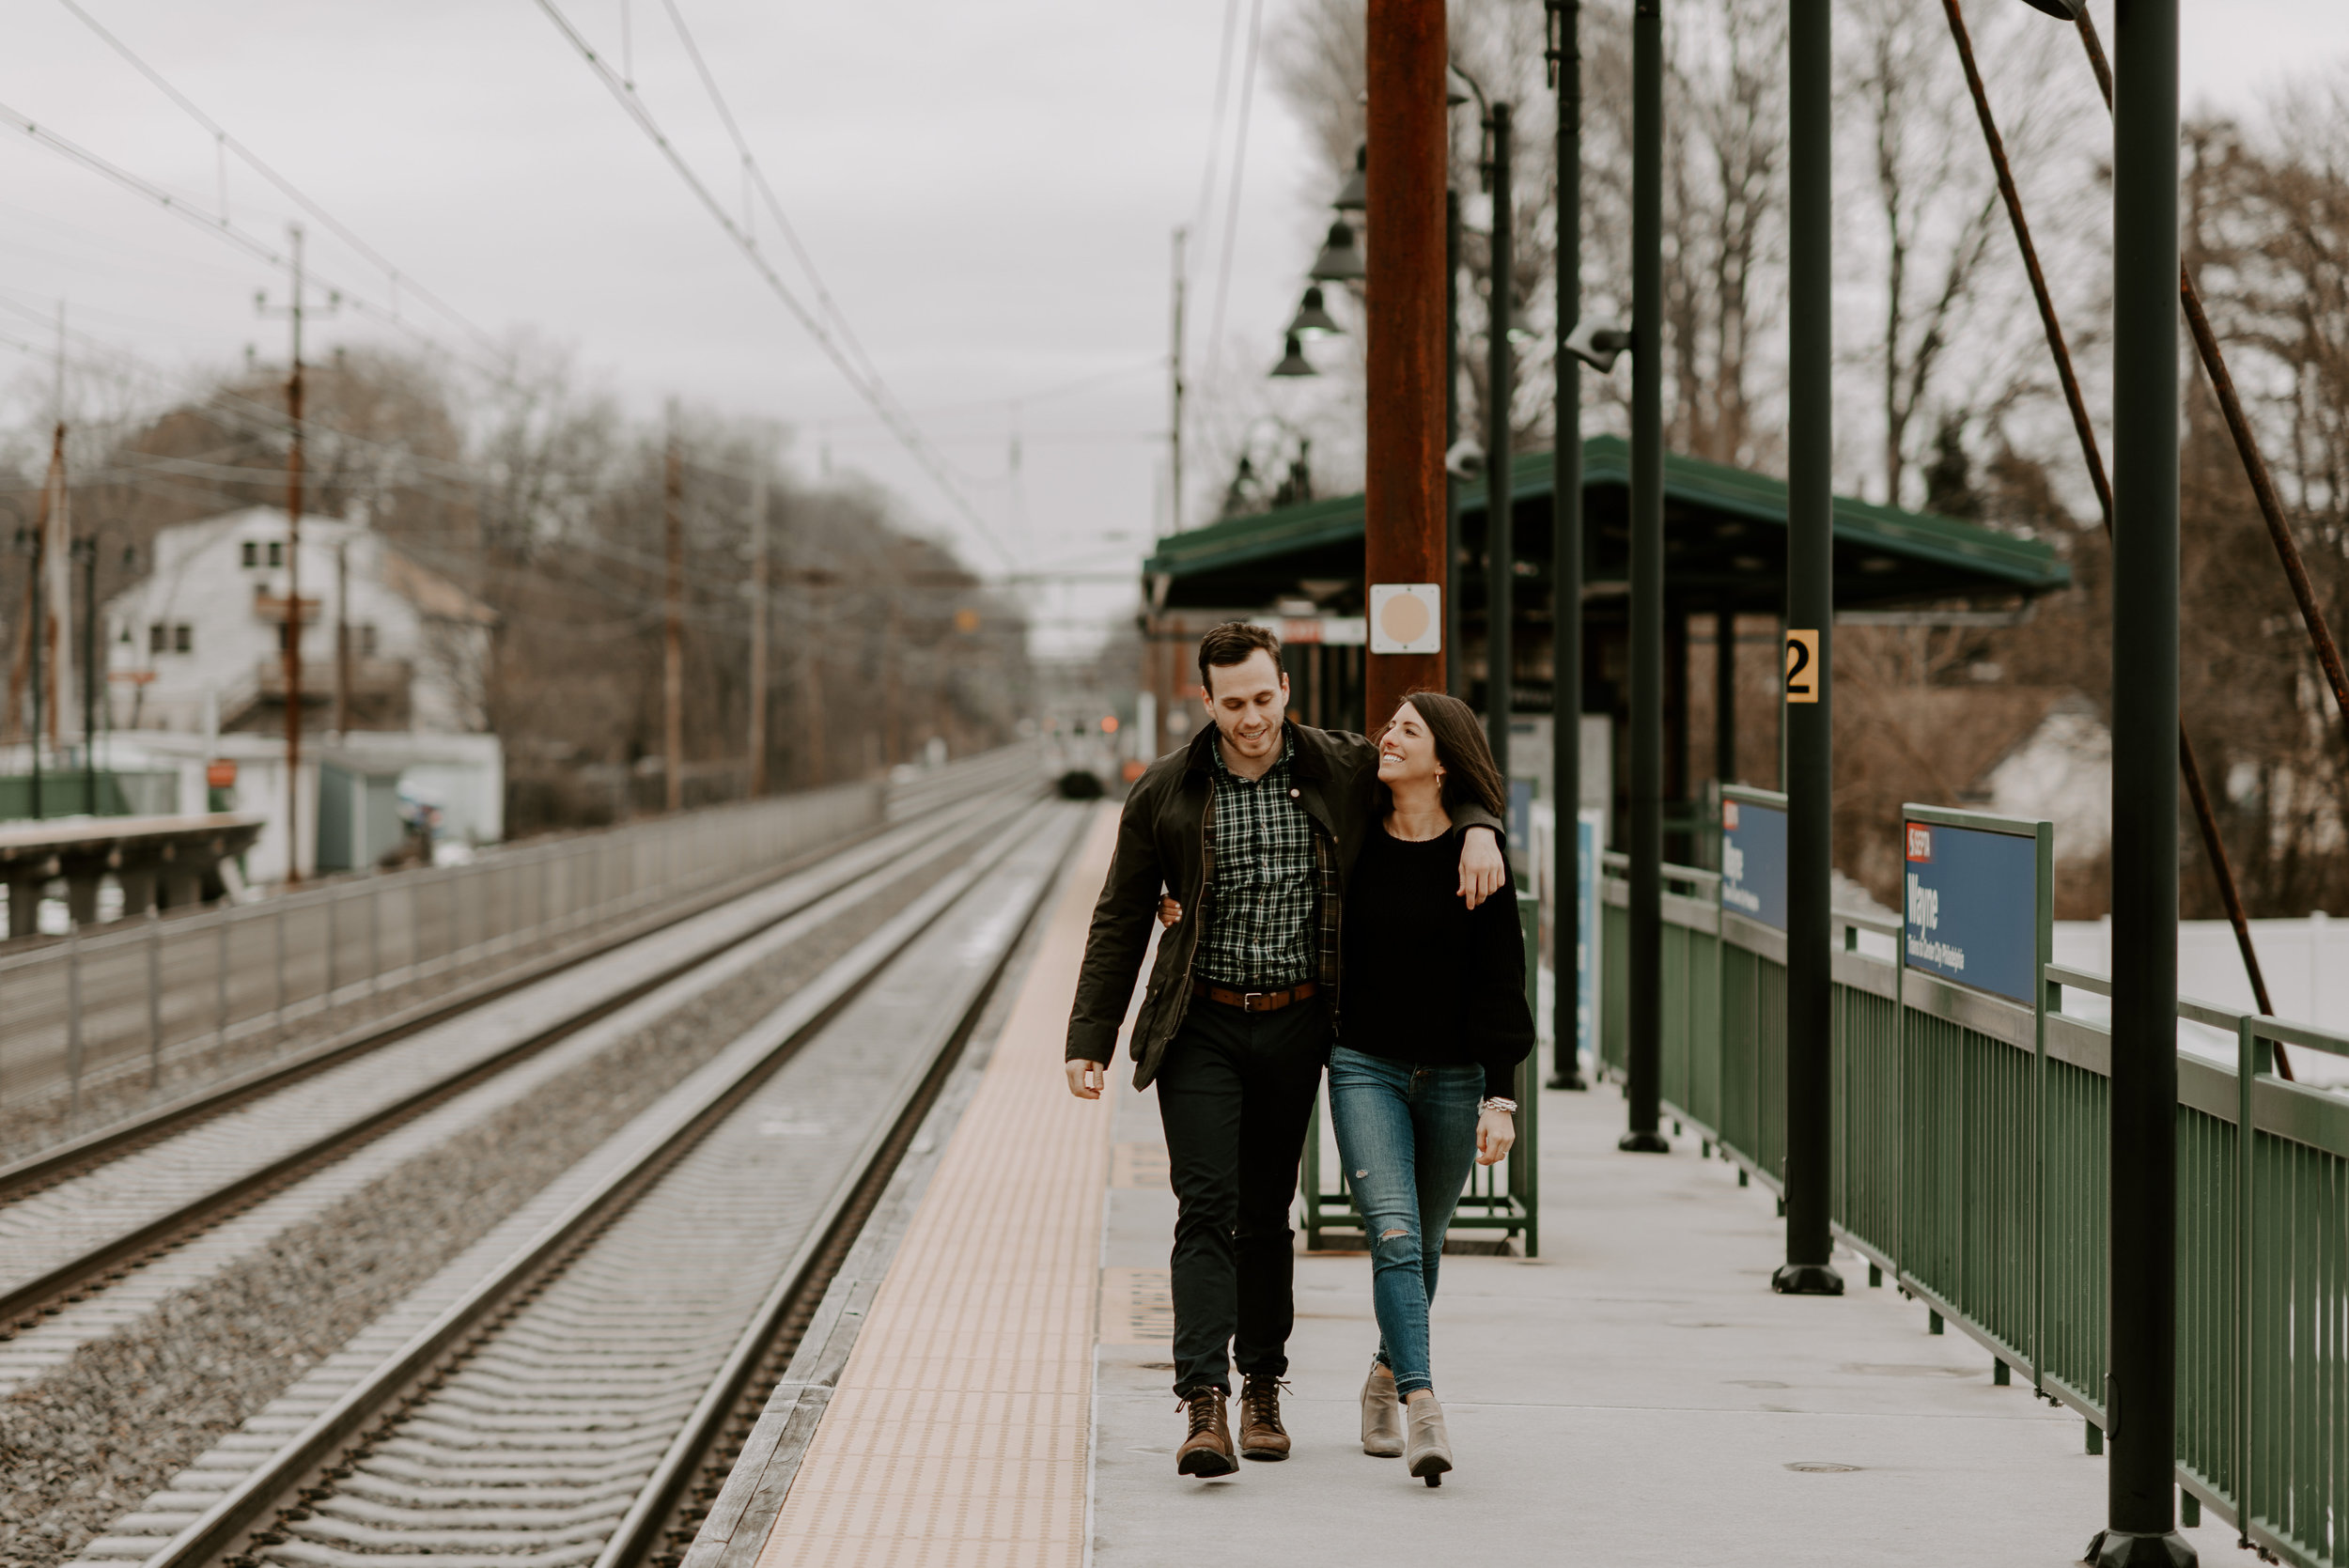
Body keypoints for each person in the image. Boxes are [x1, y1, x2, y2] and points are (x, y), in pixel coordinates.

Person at [1064, 623, 1507, 1479]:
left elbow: (1437, 771)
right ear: (1207, 702)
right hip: (1201, 1024)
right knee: (1205, 1206)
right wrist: (1091, 1037)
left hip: (1299, 1023)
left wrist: (1484, 823)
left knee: (1268, 1213)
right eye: (1233, 704)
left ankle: (1262, 1383)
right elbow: (1120, 917)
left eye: (1264, 698)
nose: (1252, 718)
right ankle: (1203, 1405)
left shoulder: (1338, 766)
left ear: (1286, 688)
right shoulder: (1166, 790)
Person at [1330, 691, 1532, 1485]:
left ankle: (1383, 1372)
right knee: (1396, 1234)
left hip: (1454, 1077)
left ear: (1443, 757)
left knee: (1428, 1240)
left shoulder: (1479, 858)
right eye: (1388, 726)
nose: (1387, 737)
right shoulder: (1355, 835)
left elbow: (1501, 985)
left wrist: (1501, 1097)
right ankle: (1422, 1403)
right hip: (1364, 1065)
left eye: (1408, 730)